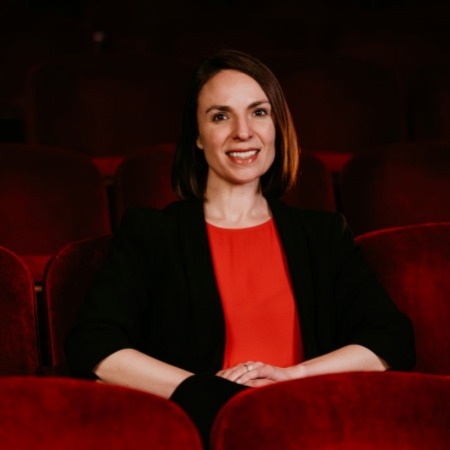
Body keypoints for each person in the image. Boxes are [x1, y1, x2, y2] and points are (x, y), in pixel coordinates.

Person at [65, 49, 415, 446]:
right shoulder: (152, 233)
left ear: (278, 125)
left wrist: (291, 379)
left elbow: (391, 339)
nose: (243, 131)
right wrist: (208, 394)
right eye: (220, 116)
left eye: (259, 112)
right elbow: (93, 343)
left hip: (306, 429)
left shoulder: (322, 234)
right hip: (200, 435)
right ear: (197, 136)